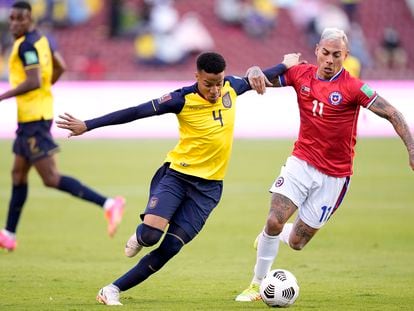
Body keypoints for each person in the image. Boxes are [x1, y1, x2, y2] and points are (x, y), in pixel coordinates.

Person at [56, 51, 301, 305]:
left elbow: (264, 75)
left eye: (218, 83)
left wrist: (285, 64)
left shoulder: (232, 87)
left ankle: (112, 289)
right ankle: (140, 236)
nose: (215, 90)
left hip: (208, 190)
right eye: (208, 84)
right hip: (177, 177)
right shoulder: (180, 99)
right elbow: (136, 112)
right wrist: (88, 124)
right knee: (151, 236)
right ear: (196, 77)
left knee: (171, 247)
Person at [235, 27, 414, 302]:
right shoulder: (301, 74)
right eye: (326, 53)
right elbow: (262, 79)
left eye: (337, 55)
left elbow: (393, 113)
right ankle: (257, 284)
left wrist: (411, 149)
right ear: (317, 50)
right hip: (301, 162)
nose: (330, 60)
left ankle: (278, 234)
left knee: (296, 243)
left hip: (334, 176)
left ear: (346, 56)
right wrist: (256, 69)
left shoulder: (353, 88)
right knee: (273, 220)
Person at [0, 1, 126, 252]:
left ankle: (109, 204)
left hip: (34, 119)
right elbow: (60, 67)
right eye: (12, 19)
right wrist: (46, 88)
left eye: (20, 19)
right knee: (18, 174)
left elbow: (34, 80)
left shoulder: (26, 46)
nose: (14, 23)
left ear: (30, 20)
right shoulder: (42, 40)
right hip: (33, 117)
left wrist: (4, 95)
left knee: (50, 178)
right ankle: (9, 234)